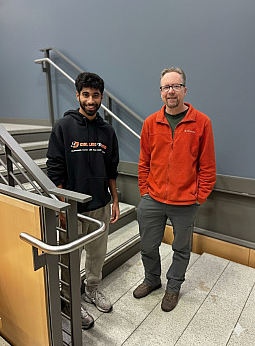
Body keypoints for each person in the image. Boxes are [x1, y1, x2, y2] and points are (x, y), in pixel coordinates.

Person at [133, 67, 216, 312]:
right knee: (147, 245)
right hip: (153, 198)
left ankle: (173, 287)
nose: (170, 91)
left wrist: (198, 196)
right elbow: (144, 161)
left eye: (175, 86)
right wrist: (144, 191)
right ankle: (151, 280)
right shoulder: (150, 122)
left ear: (184, 90)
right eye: (166, 87)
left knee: (181, 248)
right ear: (161, 92)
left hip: (186, 202)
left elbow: (208, 166)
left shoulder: (201, 123)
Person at [46, 72, 119, 329]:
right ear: (77, 95)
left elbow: (112, 169)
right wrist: (61, 204)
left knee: (97, 255)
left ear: (100, 98)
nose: (91, 100)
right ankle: (69, 299)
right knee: (70, 257)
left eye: (95, 95)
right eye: (85, 94)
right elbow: (54, 169)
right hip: (73, 208)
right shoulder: (63, 127)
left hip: (100, 204)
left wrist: (115, 201)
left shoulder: (107, 131)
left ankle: (92, 289)